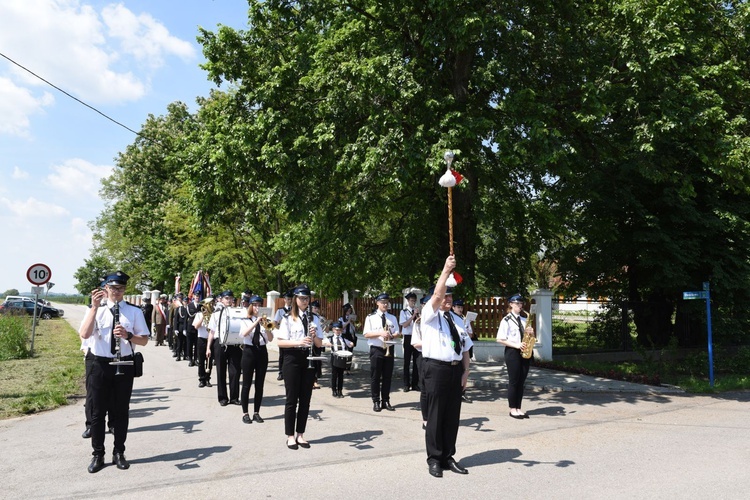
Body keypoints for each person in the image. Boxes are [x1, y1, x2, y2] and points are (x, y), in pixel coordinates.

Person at [78, 271, 149, 473]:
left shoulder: (134, 312)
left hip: (123, 363)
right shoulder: (95, 310)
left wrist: (128, 335)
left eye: (120, 288)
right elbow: (84, 334)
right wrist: (94, 307)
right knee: (97, 412)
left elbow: (143, 340)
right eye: (113, 288)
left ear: (125, 290)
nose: (116, 292)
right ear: (105, 288)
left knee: (120, 412)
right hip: (99, 363)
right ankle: (97, 454)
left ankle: (119, 451)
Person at [420, 255, 472, 478]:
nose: (448, 299)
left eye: (451, 296)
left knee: (452, 416)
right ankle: (434, 458)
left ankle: (448, 456)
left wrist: (466, 372)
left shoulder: (458, 320)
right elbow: (437, 295)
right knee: (436, 415)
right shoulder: (428, 316)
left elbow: (465, 348)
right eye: (444, 295)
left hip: (454, 369)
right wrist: (445, 270)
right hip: (436, 369)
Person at [275, 284, 323, 449]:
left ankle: (300, 434)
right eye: (302, 298)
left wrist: (315, 335)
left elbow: (319, 343)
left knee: (305, 399)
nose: (305, 301)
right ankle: (290, 435)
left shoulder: (314, 318)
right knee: (291, 399)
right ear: (295, 299)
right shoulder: (288, 318)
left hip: (308, 358)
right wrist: (298, 342)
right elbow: (280, 342)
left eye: (307, 298)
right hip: (292, 358)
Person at [496, 294, 534, 419]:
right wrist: (517, 345)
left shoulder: (524, 320)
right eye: (517, 304)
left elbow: (529, 337)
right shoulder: (506, 320)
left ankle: (518, 407)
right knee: (514, 381)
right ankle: (513, 408)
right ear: (511, 304)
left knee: (521, 381)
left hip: (524, 351)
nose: (520, 306)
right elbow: (500, 339)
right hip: (513, 352)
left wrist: (531, 334)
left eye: (521, 304)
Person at [239, 295, 274, 424]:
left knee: (259, 385)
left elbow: (270, 338)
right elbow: (244, 333)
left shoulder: (267, 320)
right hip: (249, 352)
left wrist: (266, 326)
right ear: (251, 306)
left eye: (259, 305)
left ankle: (256, 412)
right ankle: (245, 413)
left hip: (262, 352)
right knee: (247, 384)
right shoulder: (245, 319)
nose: (257, 307)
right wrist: (256, 322)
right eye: (255, 305)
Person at [363, 293, 400, 412]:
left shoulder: (392, 318)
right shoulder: (370, 317)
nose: (385, 304)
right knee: (375, 376)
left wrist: (391, 335)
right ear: (377, 303)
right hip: (376, 349)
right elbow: (366, 334)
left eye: (387, 302)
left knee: (387, 376)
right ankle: (376, 401)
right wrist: (381, 333)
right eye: (383, 302)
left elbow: (397, 333)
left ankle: (386, 400)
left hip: (389, 348)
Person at [207, 290, 243, 406]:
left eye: (231, 298)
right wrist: (208, 348)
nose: (229, 300)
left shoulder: (238, 312)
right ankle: (222, 397)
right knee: (221, 371)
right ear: (221, 299)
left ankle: (234, 397)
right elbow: (212, 332)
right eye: (226, 298)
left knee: (235, 372)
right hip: (220, 344)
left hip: (234, 344)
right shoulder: (215, 314)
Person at [324, 321, 353, 397]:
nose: (338, 331)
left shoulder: (343, 338)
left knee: (341, 375)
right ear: (333, 330)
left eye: (339, 330)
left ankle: (340, 390)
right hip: (334, 357)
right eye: (336, 330)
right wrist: (326, 344)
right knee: (334, 375)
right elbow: (323, 343)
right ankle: (334, 390)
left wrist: (351, 344)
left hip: (342, 358)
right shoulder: (330, 338)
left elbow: (350, 344)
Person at [452, 299, 473, 403]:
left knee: (465, 370)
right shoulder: (452, 319)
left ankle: (463, 392)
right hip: (456, 349)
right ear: (453, 308)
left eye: (461, 307)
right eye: (458, 307)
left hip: (465, 347)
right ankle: (457, 393)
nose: (460, 309)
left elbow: (470, 334)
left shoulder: (465, 319)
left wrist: (465, 333)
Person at [192, 297, 214, 388]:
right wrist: (203, 317)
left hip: (211, 339)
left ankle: (208, 379)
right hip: (201, 339)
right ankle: (201, 379)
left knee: (209, 360)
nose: (210, 305)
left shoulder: (213, 315)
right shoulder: (198, 314)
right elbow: (196, 327)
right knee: (201, 360)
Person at [400, 292, 420, 392]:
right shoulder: (403, 312)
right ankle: (406, 384)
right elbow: (405, 325)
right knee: (407, 362)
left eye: (414, 300)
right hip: (408, 337)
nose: (413, 302)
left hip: (416, 337)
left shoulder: (417, 311)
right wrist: (413, 316)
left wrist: (418, 315)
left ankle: (415, 383)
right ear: (408, 301)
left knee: (416, 362)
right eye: (411, 300)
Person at [274, 289, 294, 380]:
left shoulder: (294, 310)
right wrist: (281, 329)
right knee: (282, 355)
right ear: (284, 300)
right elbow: (275, 323)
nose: (290, 301)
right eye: (288, 299)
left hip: (293, 335)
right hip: (283, 336)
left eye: (291, 299)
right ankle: (281, 372)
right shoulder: (280, 311)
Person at [185, 295, 200, 367]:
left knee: (197, 345)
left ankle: (196, 359)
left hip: (198, 328)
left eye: (198, 296)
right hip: (190, 328)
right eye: (196, 296)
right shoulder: (189, 306)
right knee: (189, 344)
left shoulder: (201, 305)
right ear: (193, 297)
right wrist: (185, 328)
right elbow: (186, 318)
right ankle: (190, 359)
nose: (197, 297)